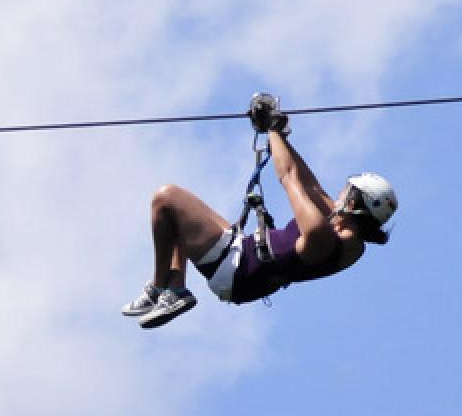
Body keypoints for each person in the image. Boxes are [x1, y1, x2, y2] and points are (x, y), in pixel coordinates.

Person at [123, 107, 396, 329]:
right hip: (243, 254)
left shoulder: (320, 234)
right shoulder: (347, 238)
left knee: (166, 198)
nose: (339, 193)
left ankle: (160, 287)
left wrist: (272, 129)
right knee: (176, 220)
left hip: (234, 268)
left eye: (347, 191)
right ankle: (174, 288)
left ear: (353, 203)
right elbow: (311, 185)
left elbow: (290, 178)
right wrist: (278, 135)